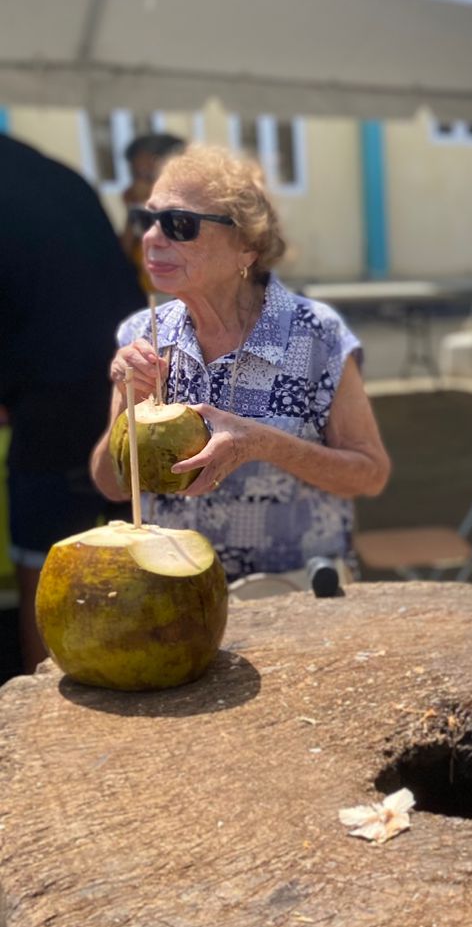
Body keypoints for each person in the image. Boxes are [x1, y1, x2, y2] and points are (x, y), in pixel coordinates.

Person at [88, 145, 392, 582]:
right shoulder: (144, 332)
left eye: (179, 224)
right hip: (179, 596)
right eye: (145, 219)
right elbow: (111, 484)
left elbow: (370, 475)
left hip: (296, 594)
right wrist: (127, 397)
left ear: (246, 247)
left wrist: (262, 444)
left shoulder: (316, 335)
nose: (151, 238)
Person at [0, 134, 146, 672]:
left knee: (50, 563)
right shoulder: (52, 172)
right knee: (127, 560)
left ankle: (45, 718)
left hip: (58, 397)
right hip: (126, 383)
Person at [121, 133, 188, 292]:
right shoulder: (139, 209)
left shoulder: (192, 212)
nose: (139, 184)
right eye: (136, 176)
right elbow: (121, 260)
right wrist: (134, 211)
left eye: (148, 177)